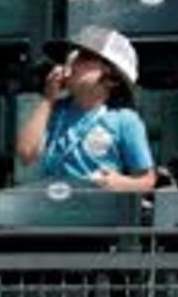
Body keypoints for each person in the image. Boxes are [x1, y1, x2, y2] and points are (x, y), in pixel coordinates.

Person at [13, 25, 156, 192]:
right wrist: (48, 98)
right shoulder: (52, 110)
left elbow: (147, 180)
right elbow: (25, 154)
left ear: (112, 79)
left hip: (99, 210)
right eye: (72, 54)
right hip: (54, 206)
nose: (72, 61)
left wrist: (120, 183)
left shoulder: (125, 119)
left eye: (85, 57)